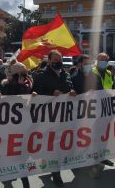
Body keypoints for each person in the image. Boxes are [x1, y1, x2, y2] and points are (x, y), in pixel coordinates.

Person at [33, 50, 76, 187]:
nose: (58, 62)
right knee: (52, 146)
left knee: (62, 144)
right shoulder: (41, 75)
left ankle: (51, 168)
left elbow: (70, 88)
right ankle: (55, 174)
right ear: (49, 60)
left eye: (60, 59)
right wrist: (51, 93)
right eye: (55, 60)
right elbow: (36, 94)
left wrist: (72, 92)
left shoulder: (66, 74)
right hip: (48, 117)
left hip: (64, 116)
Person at [0, 62, 32, 188]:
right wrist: (18, 86)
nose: (24, 76)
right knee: (9, 155)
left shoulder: (27, 84)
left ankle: (25, 182)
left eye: (25, 73)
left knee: (21, 156)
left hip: (23, 128)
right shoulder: (4, 85)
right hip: (8, 128)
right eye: (21, 74)